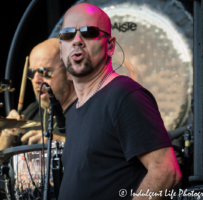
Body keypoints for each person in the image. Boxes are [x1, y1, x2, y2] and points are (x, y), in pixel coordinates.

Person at [58, 3, 181, 200]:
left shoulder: (124, 95)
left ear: (111, 46)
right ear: (61, 47)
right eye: (68, 34)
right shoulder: (73, 112)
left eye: (89, 32)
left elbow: (166, 171)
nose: (77, 40)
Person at [0, 38, 77, 173]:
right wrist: (6, 134)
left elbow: (98, 157)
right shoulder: (31, 113)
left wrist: (58, 144)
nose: (36, 80)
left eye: (45, 72)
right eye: (31, 73)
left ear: (69, 71)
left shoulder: (87, 110)